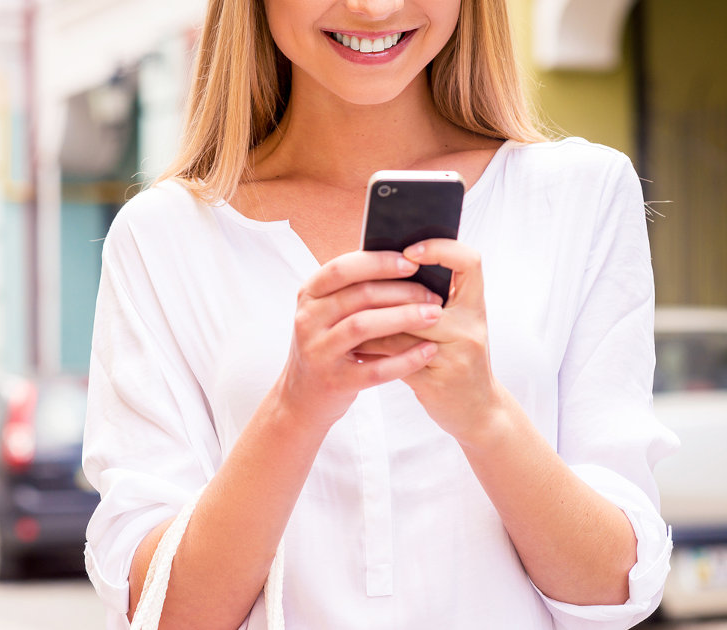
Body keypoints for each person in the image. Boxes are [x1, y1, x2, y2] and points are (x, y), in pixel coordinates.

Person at [81, 0, 680, 628]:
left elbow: (617, 587)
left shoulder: (581, 196)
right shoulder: (163, 237)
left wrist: (484, 415)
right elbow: (166, 614)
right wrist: (296, 407)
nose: (375, 8)